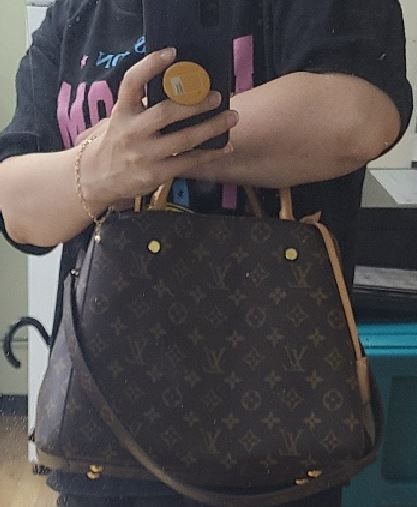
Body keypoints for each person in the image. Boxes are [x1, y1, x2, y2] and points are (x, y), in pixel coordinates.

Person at [0, 0, 413, 505]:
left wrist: (148, 152)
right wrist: (102, 167)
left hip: (276, 430)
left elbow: (357, 115)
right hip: (102, 436)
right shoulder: (74, 15)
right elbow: (20, 213)